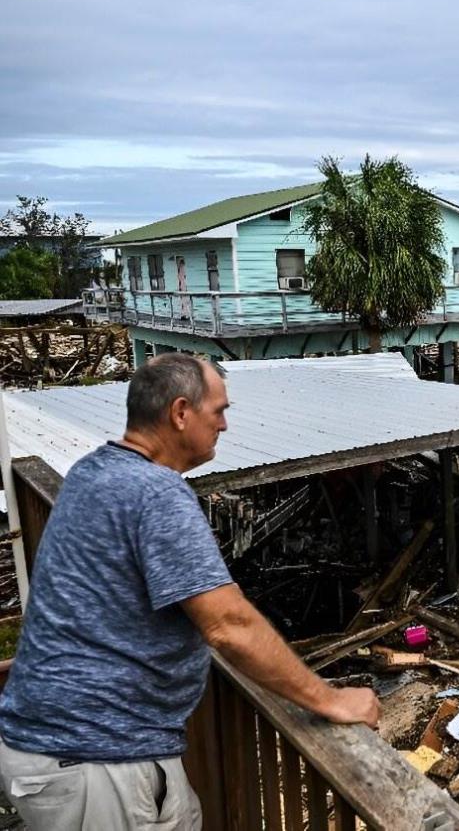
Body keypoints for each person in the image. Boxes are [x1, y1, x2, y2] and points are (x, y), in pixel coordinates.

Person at [0, 353, 379, 830]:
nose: (224, 424)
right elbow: (228, 624)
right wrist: (330, 700)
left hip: (60, 743)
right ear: (181, 413)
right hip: (94, 754)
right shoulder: (156, 493)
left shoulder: (92, 472)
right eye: (218, 411)